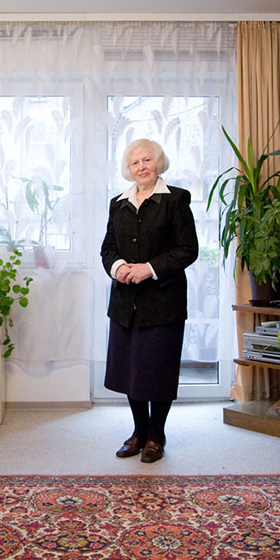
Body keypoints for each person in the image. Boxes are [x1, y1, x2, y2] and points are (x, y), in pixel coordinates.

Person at [100, 138, 199, 463]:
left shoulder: (176, 200)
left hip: (164, 302)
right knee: (131, 370)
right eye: (135, 162)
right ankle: (138, 432)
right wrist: (118, 267)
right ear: (128, 169)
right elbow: (108, 249)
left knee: (158, 370)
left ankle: (157, 435)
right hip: (125, 304)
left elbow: (188, 250)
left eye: (147, 160)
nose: (141, 167)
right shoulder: (118, 203)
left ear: (159, 162)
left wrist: (149, 269)